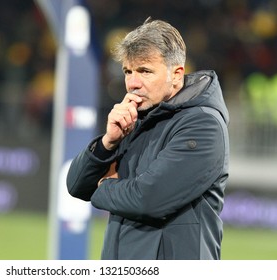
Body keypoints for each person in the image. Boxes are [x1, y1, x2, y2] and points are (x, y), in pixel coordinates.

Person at [66, 17, 229, 260]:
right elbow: (77, 185)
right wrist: (107, 142)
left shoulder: (203, 125)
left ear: (176, 74)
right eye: (128, 71)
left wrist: (103, 186)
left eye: (144, 71)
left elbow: (147, 199)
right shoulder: (137, 117)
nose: (132, 83)